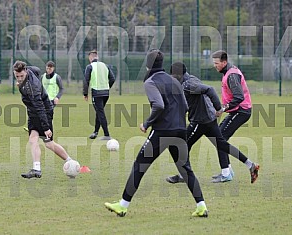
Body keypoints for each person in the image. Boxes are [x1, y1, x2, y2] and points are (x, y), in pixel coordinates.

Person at [104, 50, 208, 218]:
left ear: (148, 65)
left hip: (162, 132)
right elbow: (186, 107)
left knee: (139, 165)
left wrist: (147, 123)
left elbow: (158, 105)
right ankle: (201, 206)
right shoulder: (174, 80)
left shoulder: (150, 82)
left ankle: (122, 206)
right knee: (185, 169)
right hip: (180, 130)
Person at [165, 62, 259, 184]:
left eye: (172, 75)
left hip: (200, 121)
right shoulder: (191, 79)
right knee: (222, 144)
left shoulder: (188, 84)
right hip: (209, 119)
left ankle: (185, 175)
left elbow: (209, 89)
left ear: (177, 74)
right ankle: (250, 164)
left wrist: (218, 108)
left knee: (182, 144)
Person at [13, 60, 73, 179]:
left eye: (21, 76)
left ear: (25, 71)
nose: (19, 79)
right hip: (32, 113)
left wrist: (46, 128)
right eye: (17, 76)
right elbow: (37, 69)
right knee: (33, 139)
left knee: (49, 144)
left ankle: (70, 161)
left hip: (44, 112)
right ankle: (37, 169)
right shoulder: (29, 71)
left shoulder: (32, 88)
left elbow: (40, 107)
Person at [211, 50, 259, 181]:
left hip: (241, 111)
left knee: (219, 139)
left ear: (224, 62)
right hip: (237, 111)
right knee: (219, 139)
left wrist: (223, 108)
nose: (215, 65)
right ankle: (228, 171)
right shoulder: (228, 72)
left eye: (216, 63)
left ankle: (239, 169)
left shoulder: (231, 75)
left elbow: (239, 96)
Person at [83, 50, 115, 140]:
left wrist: (85, 93)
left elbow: (86, 81)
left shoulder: (90, 66)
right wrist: (107, 87)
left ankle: (107, 134)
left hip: (96, 93)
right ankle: (95, 132)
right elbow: (112, 78)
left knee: (100, 112)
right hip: (106, 93)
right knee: (99, 111)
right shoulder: (105, 66)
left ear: (91, 57)